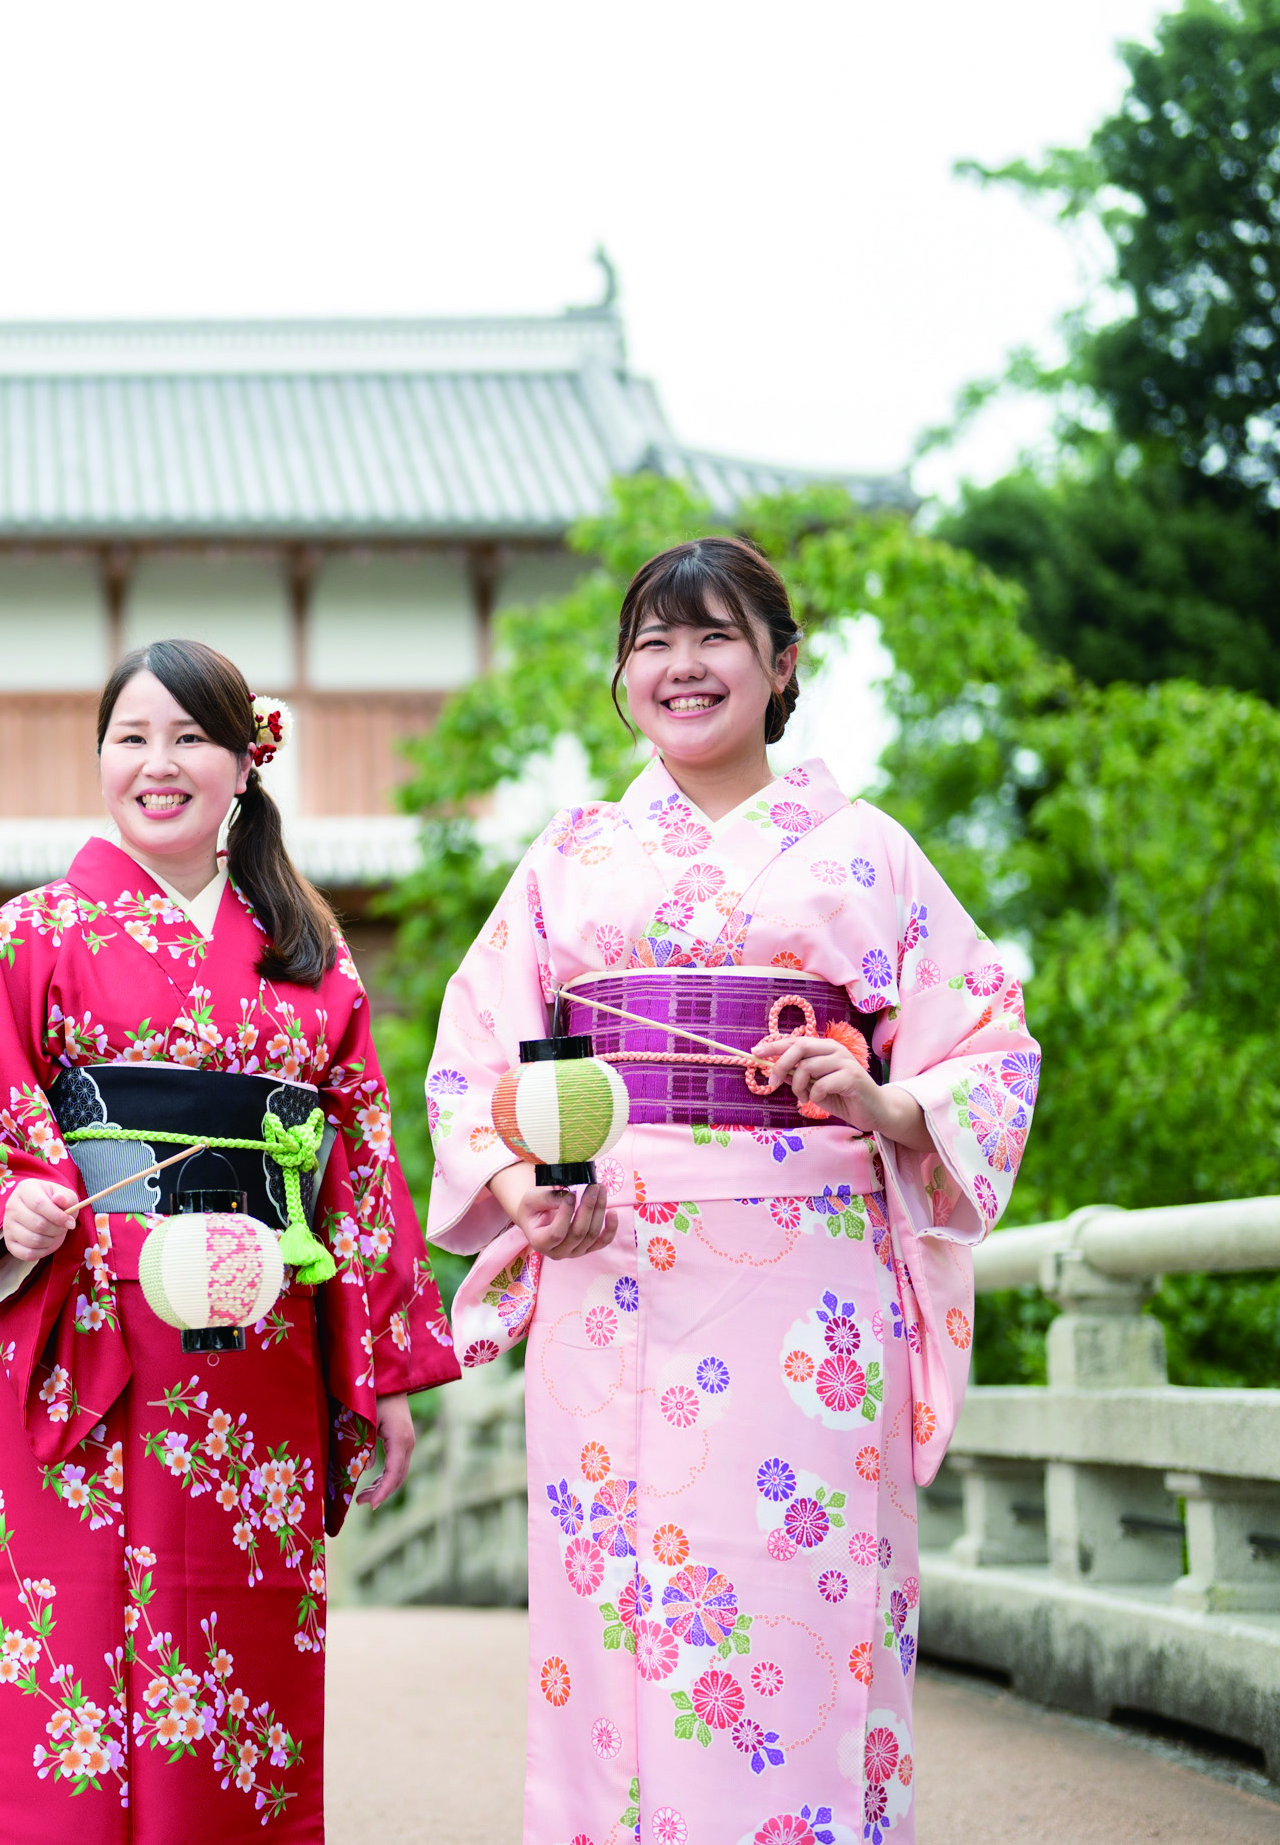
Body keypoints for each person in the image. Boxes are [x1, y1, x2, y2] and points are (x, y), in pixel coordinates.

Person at [425, 536, 1038, 1845]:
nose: (678, 665)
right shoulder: (569, 854)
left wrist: (880, 1099)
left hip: (803, 1275)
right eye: (649, 642)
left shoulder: (863, 851)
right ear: (620, 677)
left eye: (711, 637)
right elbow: (472, 1057)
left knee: (797, 1589)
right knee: (609, 1606)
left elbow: (984, 1041)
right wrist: (530, 1184)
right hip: (607, 1260)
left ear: (778, 664)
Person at [0, 638, 458, 1842]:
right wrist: (20, 1203)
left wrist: (387, 1377)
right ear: (101, 759)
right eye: (130, 739)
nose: (157, 766)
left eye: (189, 739)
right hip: (84, 1346)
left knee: (236, 1662)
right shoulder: (32, 934)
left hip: (252, 1366)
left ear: (245, 764)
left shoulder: (307, 959)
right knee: (66, 1650)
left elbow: (359, 1170)